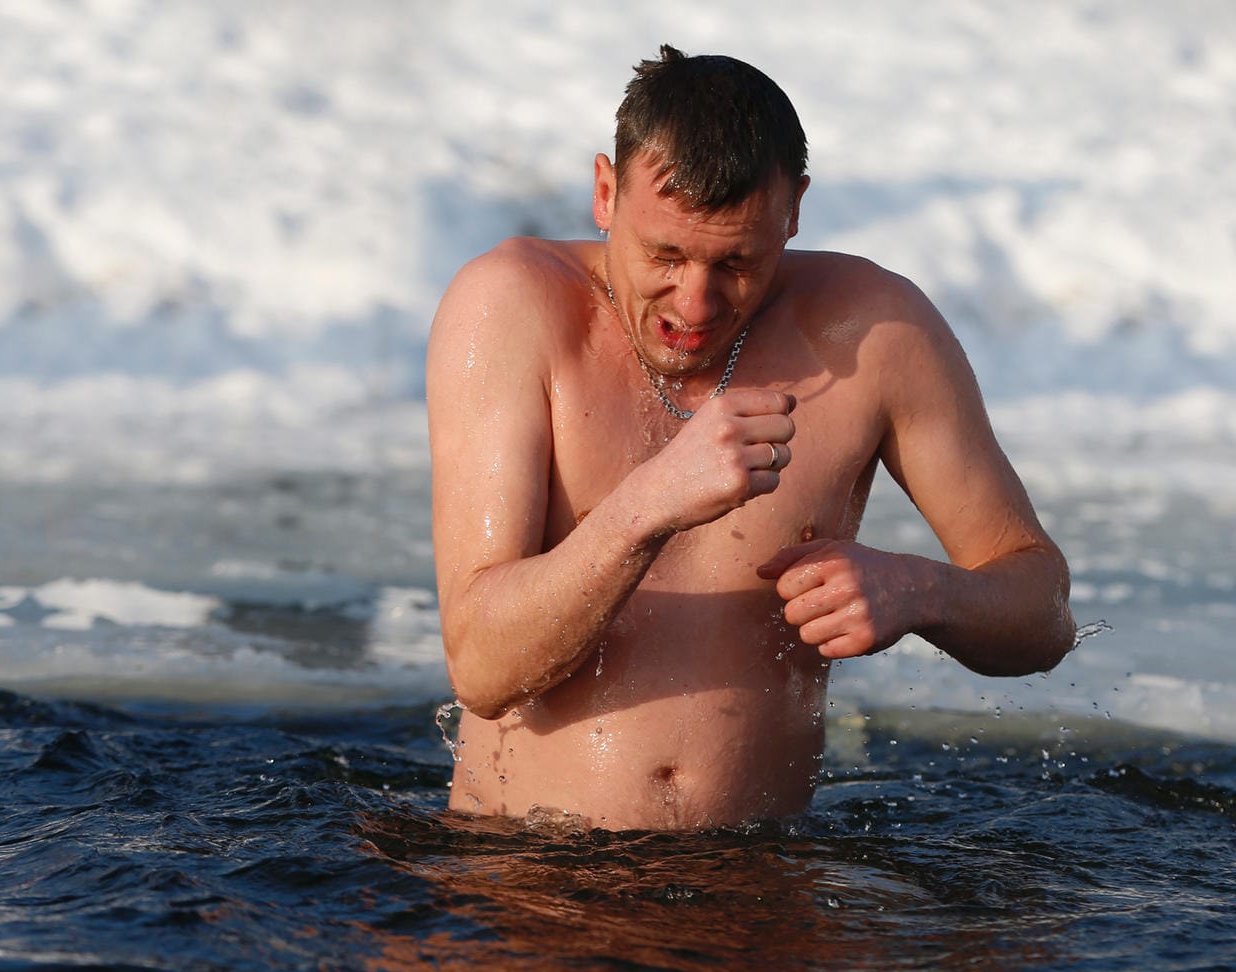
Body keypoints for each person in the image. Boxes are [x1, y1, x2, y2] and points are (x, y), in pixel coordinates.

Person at [427, 45, 1073, 830]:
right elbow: (483, 665)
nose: (695, 303)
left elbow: (1044, 612)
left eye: (736, 261)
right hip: (524, 872)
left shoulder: (875, 334)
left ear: (793, 210)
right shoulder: (510, 309)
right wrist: (647, 505)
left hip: (758, 887)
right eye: (665, 254)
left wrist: (924, 592)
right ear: (605, 192)